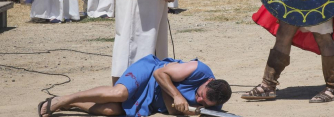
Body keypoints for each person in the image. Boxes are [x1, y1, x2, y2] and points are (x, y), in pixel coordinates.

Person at [38, 54, 232, 117]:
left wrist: (183, 111)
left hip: (155, 99)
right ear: (208, 82)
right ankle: (63, 99)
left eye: (203, 102)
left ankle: (69, 105)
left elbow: (173, 111)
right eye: (199, 94)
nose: (198, 100)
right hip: (150, 71)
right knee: (120, 93)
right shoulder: (199, 69)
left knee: (114, 110)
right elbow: (160, 73)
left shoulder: (214, 105)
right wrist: (177, 97)